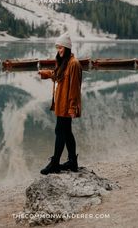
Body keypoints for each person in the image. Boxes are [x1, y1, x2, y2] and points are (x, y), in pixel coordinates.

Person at [38, 32, 82, 175]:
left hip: (67, 105)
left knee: (60, 132)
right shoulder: (63, 62)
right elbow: (58, 76)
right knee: (67, 132)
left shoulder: (74, 64)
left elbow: (75, 88)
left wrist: (72, 107)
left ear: (67, 47)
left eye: (61, 47)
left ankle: (55, 163)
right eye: (57, 47)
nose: (59, 50)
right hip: (60, 103)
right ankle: (72, 162)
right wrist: (46, 74)